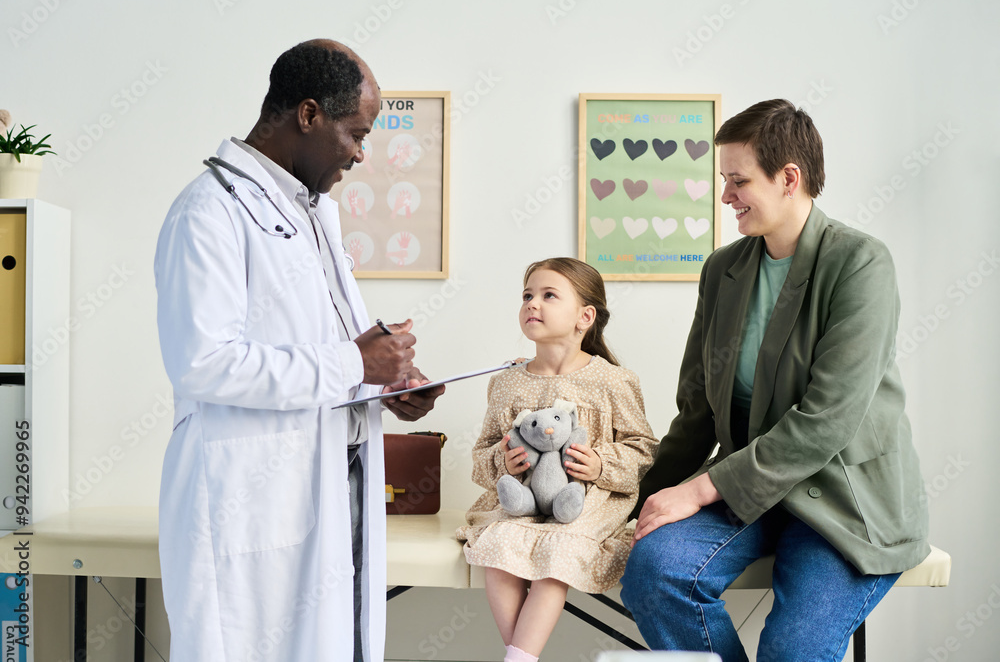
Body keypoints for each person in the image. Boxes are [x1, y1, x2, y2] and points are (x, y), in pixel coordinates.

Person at [154, 40, 444, 662]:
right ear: (308, 115)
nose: (362, 153)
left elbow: (331, 343)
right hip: (251, 501)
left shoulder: (314, 212)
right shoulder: (209, 211)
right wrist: (355, 365)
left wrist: (387, 381)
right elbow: (203, 361)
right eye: (356, 133)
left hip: (333, 481)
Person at [620, 99, 930, 661]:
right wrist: (633, 503)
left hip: (839, 498)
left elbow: (827, 418)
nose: (724, 197)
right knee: (653, 573)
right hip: (748, 492)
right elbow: (697, 413)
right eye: (724, 180)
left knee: (791, 650)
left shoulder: (861, 263)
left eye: (738, 181)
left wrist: (699, 489)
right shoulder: (722, 270)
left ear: (790, 178)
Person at [457, 257, 658, 662]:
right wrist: (503, 463)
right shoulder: (507, 382)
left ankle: (518, 657)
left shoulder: (614, 381)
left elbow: (644, 449)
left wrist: (601, 464)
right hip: (522, 503)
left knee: (559, 551)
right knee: (500, 543)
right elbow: (482, 453)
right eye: (528, 295)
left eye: (549, 295)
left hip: (586, 502)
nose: (533, 303)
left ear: (585, 316)